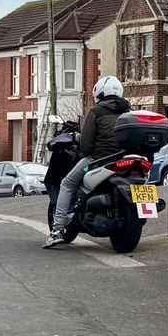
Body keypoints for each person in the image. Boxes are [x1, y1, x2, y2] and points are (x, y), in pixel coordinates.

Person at [43, 76, 130, 248]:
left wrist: (77, 138)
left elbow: (86, 146)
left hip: (99, 160)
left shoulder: (96, 111)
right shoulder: (128, 110)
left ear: (100, 93)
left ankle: (57, 230)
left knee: (67, 183)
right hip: (125, 158)